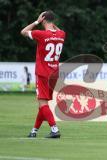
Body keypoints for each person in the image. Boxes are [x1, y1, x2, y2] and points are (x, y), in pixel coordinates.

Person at [20, 10, 65, 138]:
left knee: (43, 103)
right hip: (55, 74)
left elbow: (23, 32)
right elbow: (57, 30)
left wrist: (36, 21)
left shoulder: (41, 34)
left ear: (43, 19)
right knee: (43, 104)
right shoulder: (61, 34)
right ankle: (34, 131)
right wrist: (50, 23)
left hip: (43, 73)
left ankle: (54, 129)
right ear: (53, 21)